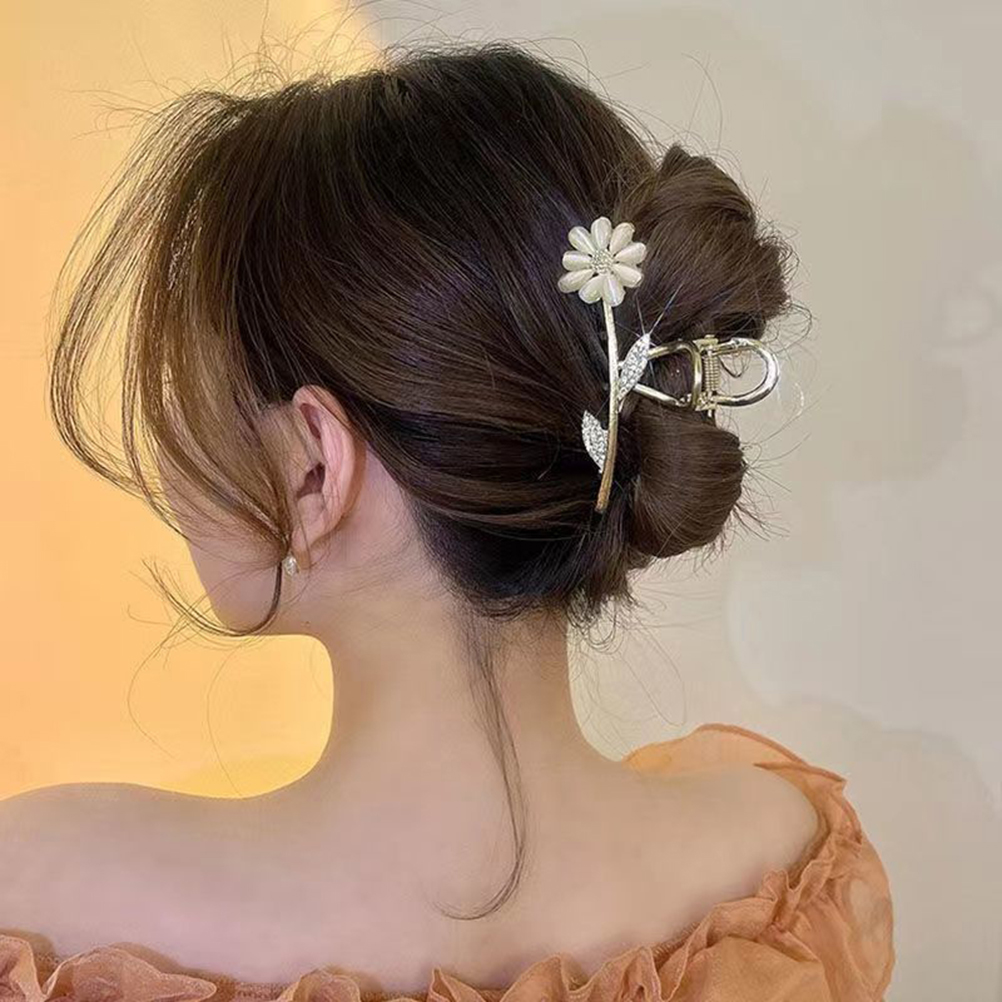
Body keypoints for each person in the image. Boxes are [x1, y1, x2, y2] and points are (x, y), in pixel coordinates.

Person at [0, 39, 893, 1001]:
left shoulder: (44, 903)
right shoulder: (791, 875)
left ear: (316, 464)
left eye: (195, 405)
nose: (175, 472)